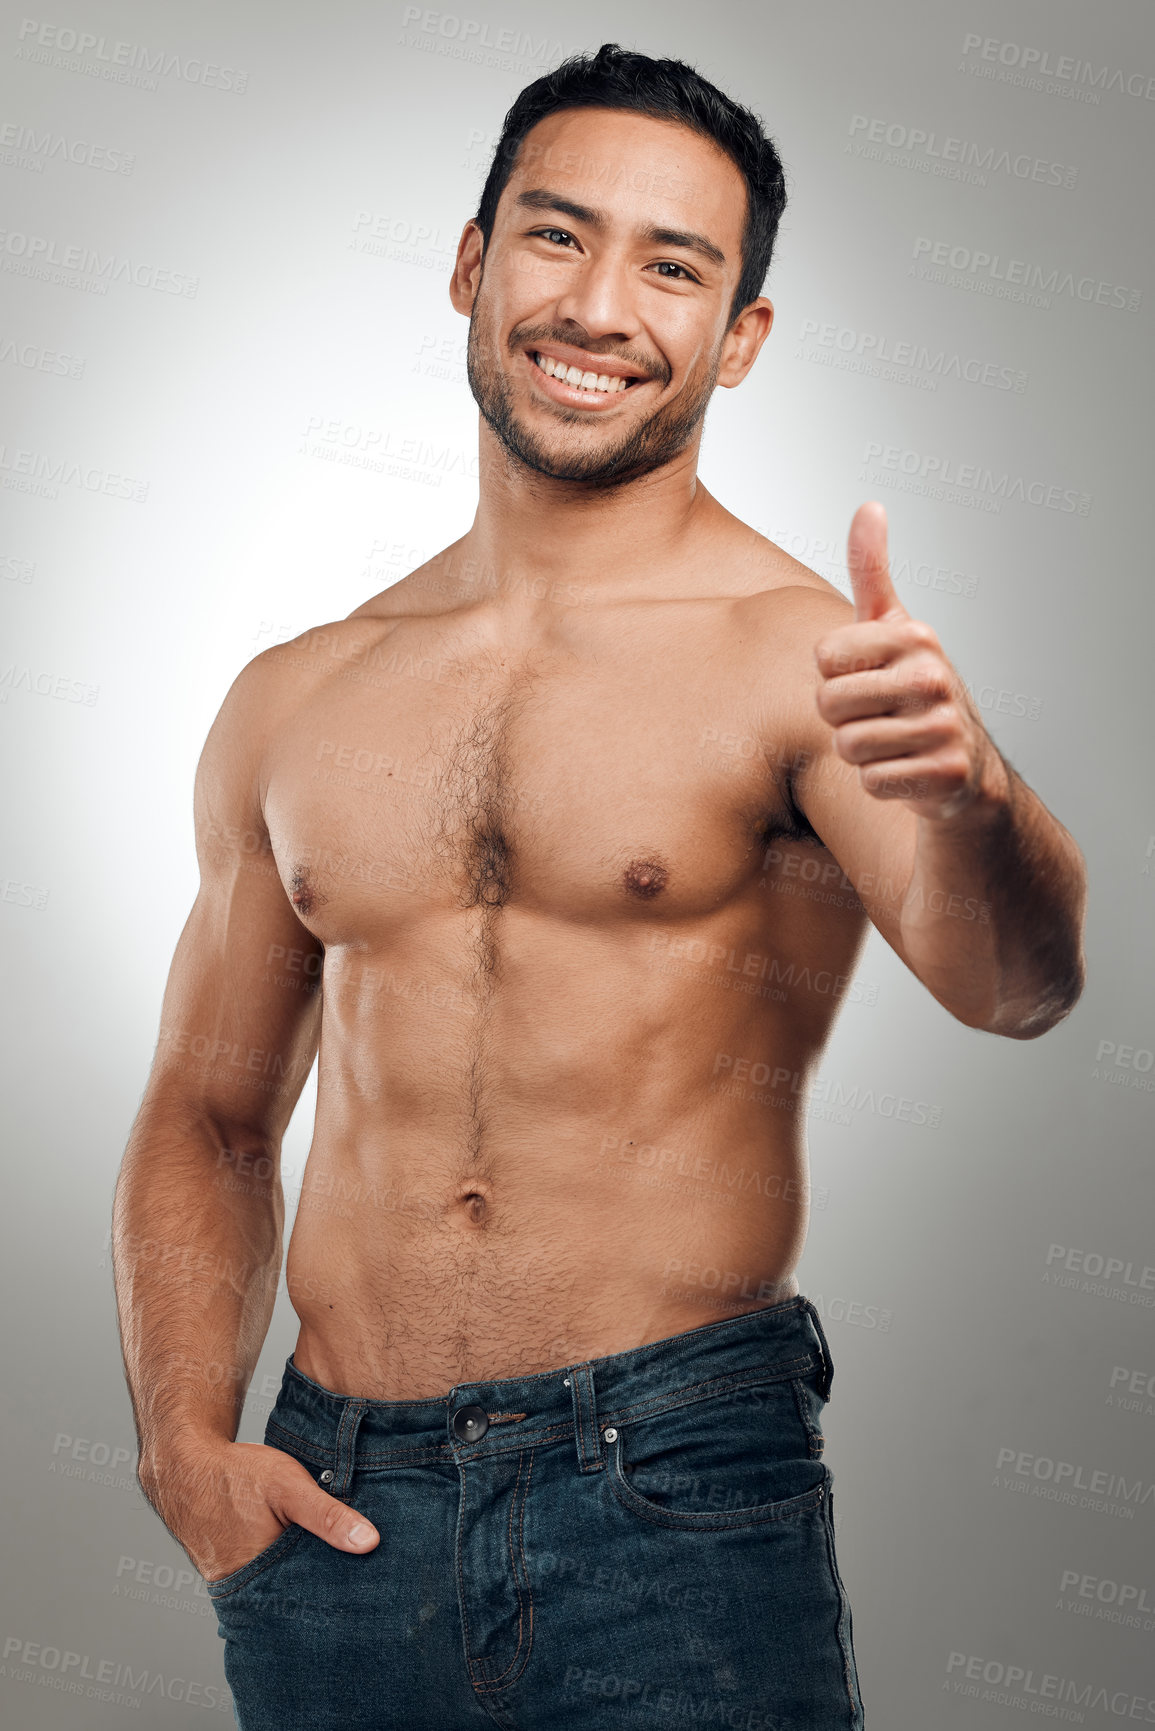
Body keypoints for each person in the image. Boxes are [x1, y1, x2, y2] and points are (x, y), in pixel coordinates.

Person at [112, 42, 1086, 1731]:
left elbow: (1016, 986)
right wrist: (189, 1447)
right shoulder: (298, 692)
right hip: (337, 1500)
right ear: (474, 264)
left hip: (672, 1494)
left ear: (742, 335)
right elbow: (208, 1112)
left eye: (674, 265)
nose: (599, 307)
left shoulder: (805, 663)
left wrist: (979, 793)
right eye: (557, 239)